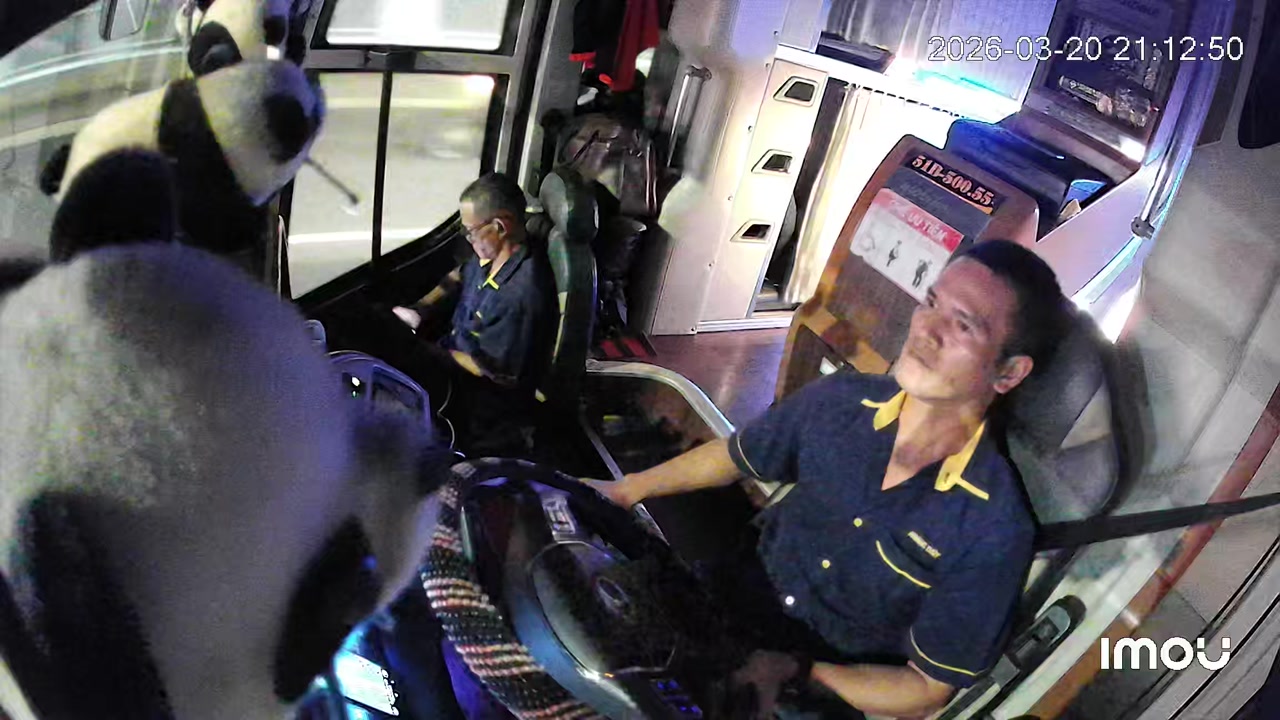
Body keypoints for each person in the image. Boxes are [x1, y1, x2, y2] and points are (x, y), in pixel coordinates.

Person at [587, 240, 1070, 719]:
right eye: (931, 303)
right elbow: (737, 456)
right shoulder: (841, 400)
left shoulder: (994, 527)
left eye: (963, 325)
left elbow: (925, 688)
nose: (927, 329)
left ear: (1009, 373)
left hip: (812, 685)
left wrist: (801, 673)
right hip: (723, 602)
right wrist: (625, 491)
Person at [391, 172, 556, 451]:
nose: (468, 238)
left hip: (476, 397)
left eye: (471, 231)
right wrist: (421, 308)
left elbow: (494, 373)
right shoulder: (489, 256)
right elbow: (459, 275)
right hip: (451, 358)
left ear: (499, 226)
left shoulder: (519, 296)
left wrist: (431, 353)